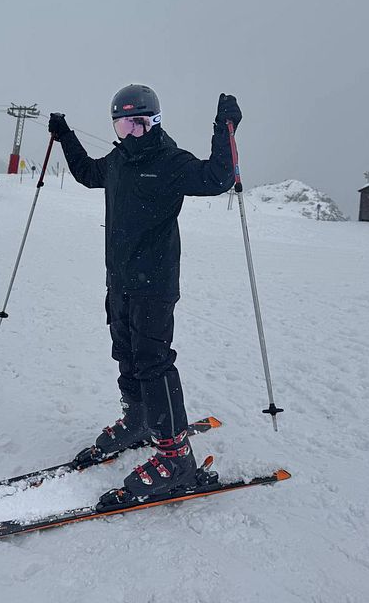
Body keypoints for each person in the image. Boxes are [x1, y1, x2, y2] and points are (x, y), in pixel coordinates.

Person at [48, 84, 241, 500]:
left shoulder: (170, 162)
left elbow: (217, 178)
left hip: (155, 285)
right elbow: (85, 173)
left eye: (137, 124)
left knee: (154, 364)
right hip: (117, 280)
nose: (129, 133)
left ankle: (176, 458)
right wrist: (65, 136)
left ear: (154, 121)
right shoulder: (118, 161)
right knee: (126, 355)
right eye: (121, 124)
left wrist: (225, 128)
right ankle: (137, 419)